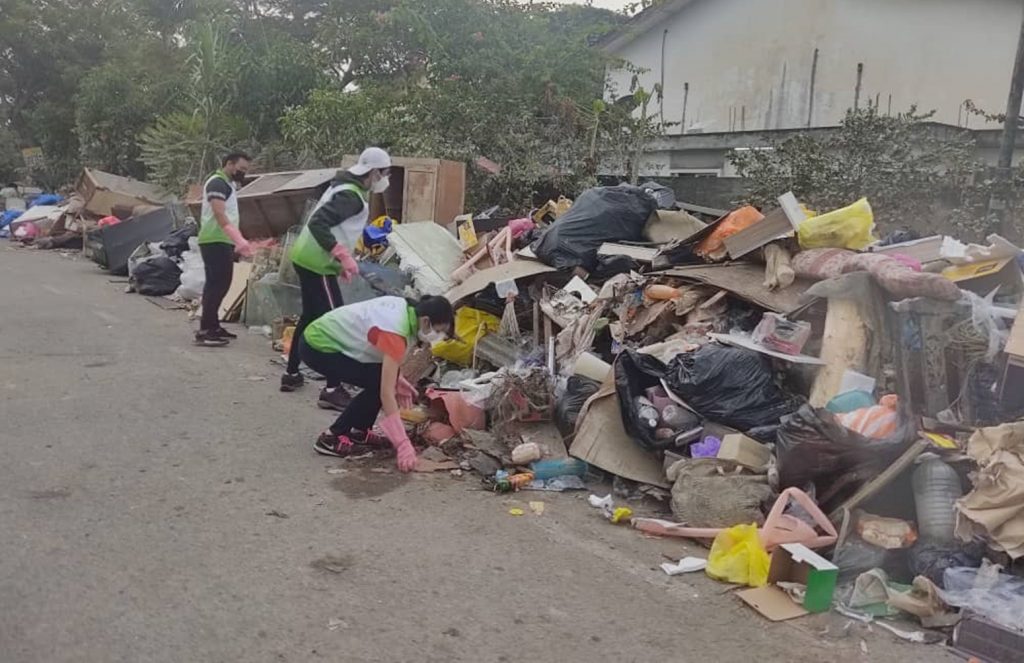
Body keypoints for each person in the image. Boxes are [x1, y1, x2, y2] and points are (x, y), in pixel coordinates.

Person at [279, 147, 393, 412]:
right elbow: (319, 223)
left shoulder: (343, 187)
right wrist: (340, 254)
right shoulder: (350, 196)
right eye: (384, 173)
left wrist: (340, 259)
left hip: (308, 257)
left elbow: (336, 228)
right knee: (336, 324)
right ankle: (332, 388)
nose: (384, 178)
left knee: (310, 317)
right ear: (373, 172)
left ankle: (292, 373)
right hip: (318, 263)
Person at [298, 295, 453, 472]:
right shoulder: (396, 330)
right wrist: (402, 443)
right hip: (318, 345)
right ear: (426, 321)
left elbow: (386, 359)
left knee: (381, 380)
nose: (438, 337)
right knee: (379, 383)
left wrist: (397, 378)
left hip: (328, 338)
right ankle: (331, 437)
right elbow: (386, 393)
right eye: (439, 330)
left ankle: (360, 431)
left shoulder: (406, 312)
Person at [194, 152, 253, 347]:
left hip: (222, 240)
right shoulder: (217, 183)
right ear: (229, 164)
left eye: (245, 170)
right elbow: (219, 214)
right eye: (241, 168)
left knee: (220, 284)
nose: (243, 173)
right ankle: (206, 330)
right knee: (216, 285)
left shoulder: (227, 184)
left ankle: (213, 325)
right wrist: (238, 238)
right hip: (214, 239)